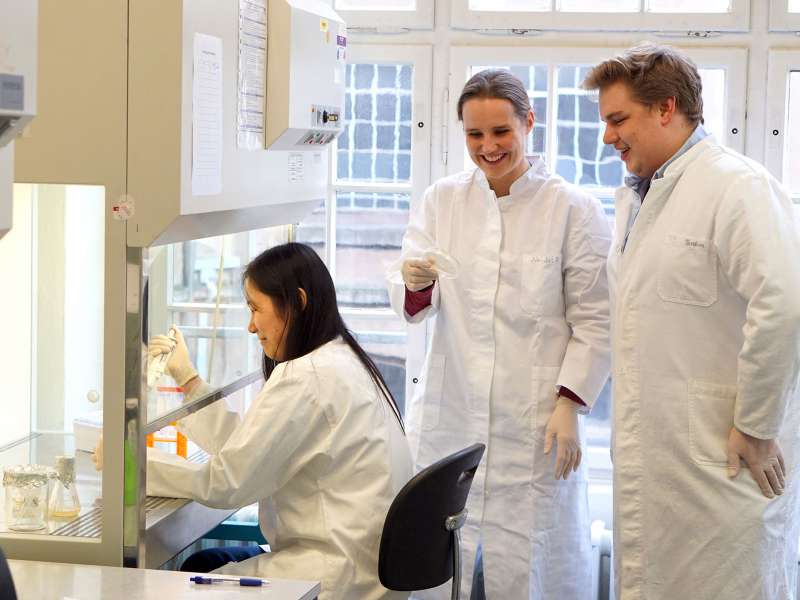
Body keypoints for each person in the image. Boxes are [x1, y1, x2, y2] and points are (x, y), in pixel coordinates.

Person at [583, 43, 800, 600]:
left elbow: (785, 304)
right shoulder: (639, 198)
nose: (607, 137)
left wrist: (755, 425)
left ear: (666, 108)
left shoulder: (736, 186)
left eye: (618, 120)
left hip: (722, 464)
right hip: (660, 465)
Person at [386, 69, 612, 599]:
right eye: (475, 134)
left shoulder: (572, 209)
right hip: (454, 417)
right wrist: (415, 283)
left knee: (533, 570)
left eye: (501, 132)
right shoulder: (443, 201)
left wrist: (569, 403)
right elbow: (413, 305)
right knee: (440, 568)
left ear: (529, 122)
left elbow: (597, 319)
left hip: (535, 428)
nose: (488, 147)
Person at [146, 242, 413, 600]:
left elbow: (226, 483)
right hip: (366, 568)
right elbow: (253, 447)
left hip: (336, 576)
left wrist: (136, 468)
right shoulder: (341, 357)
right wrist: (189, 379)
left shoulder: (308, 376)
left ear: (297, 302)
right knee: (203, 563)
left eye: (256, 309)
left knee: (186, 588)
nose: (250, 326)